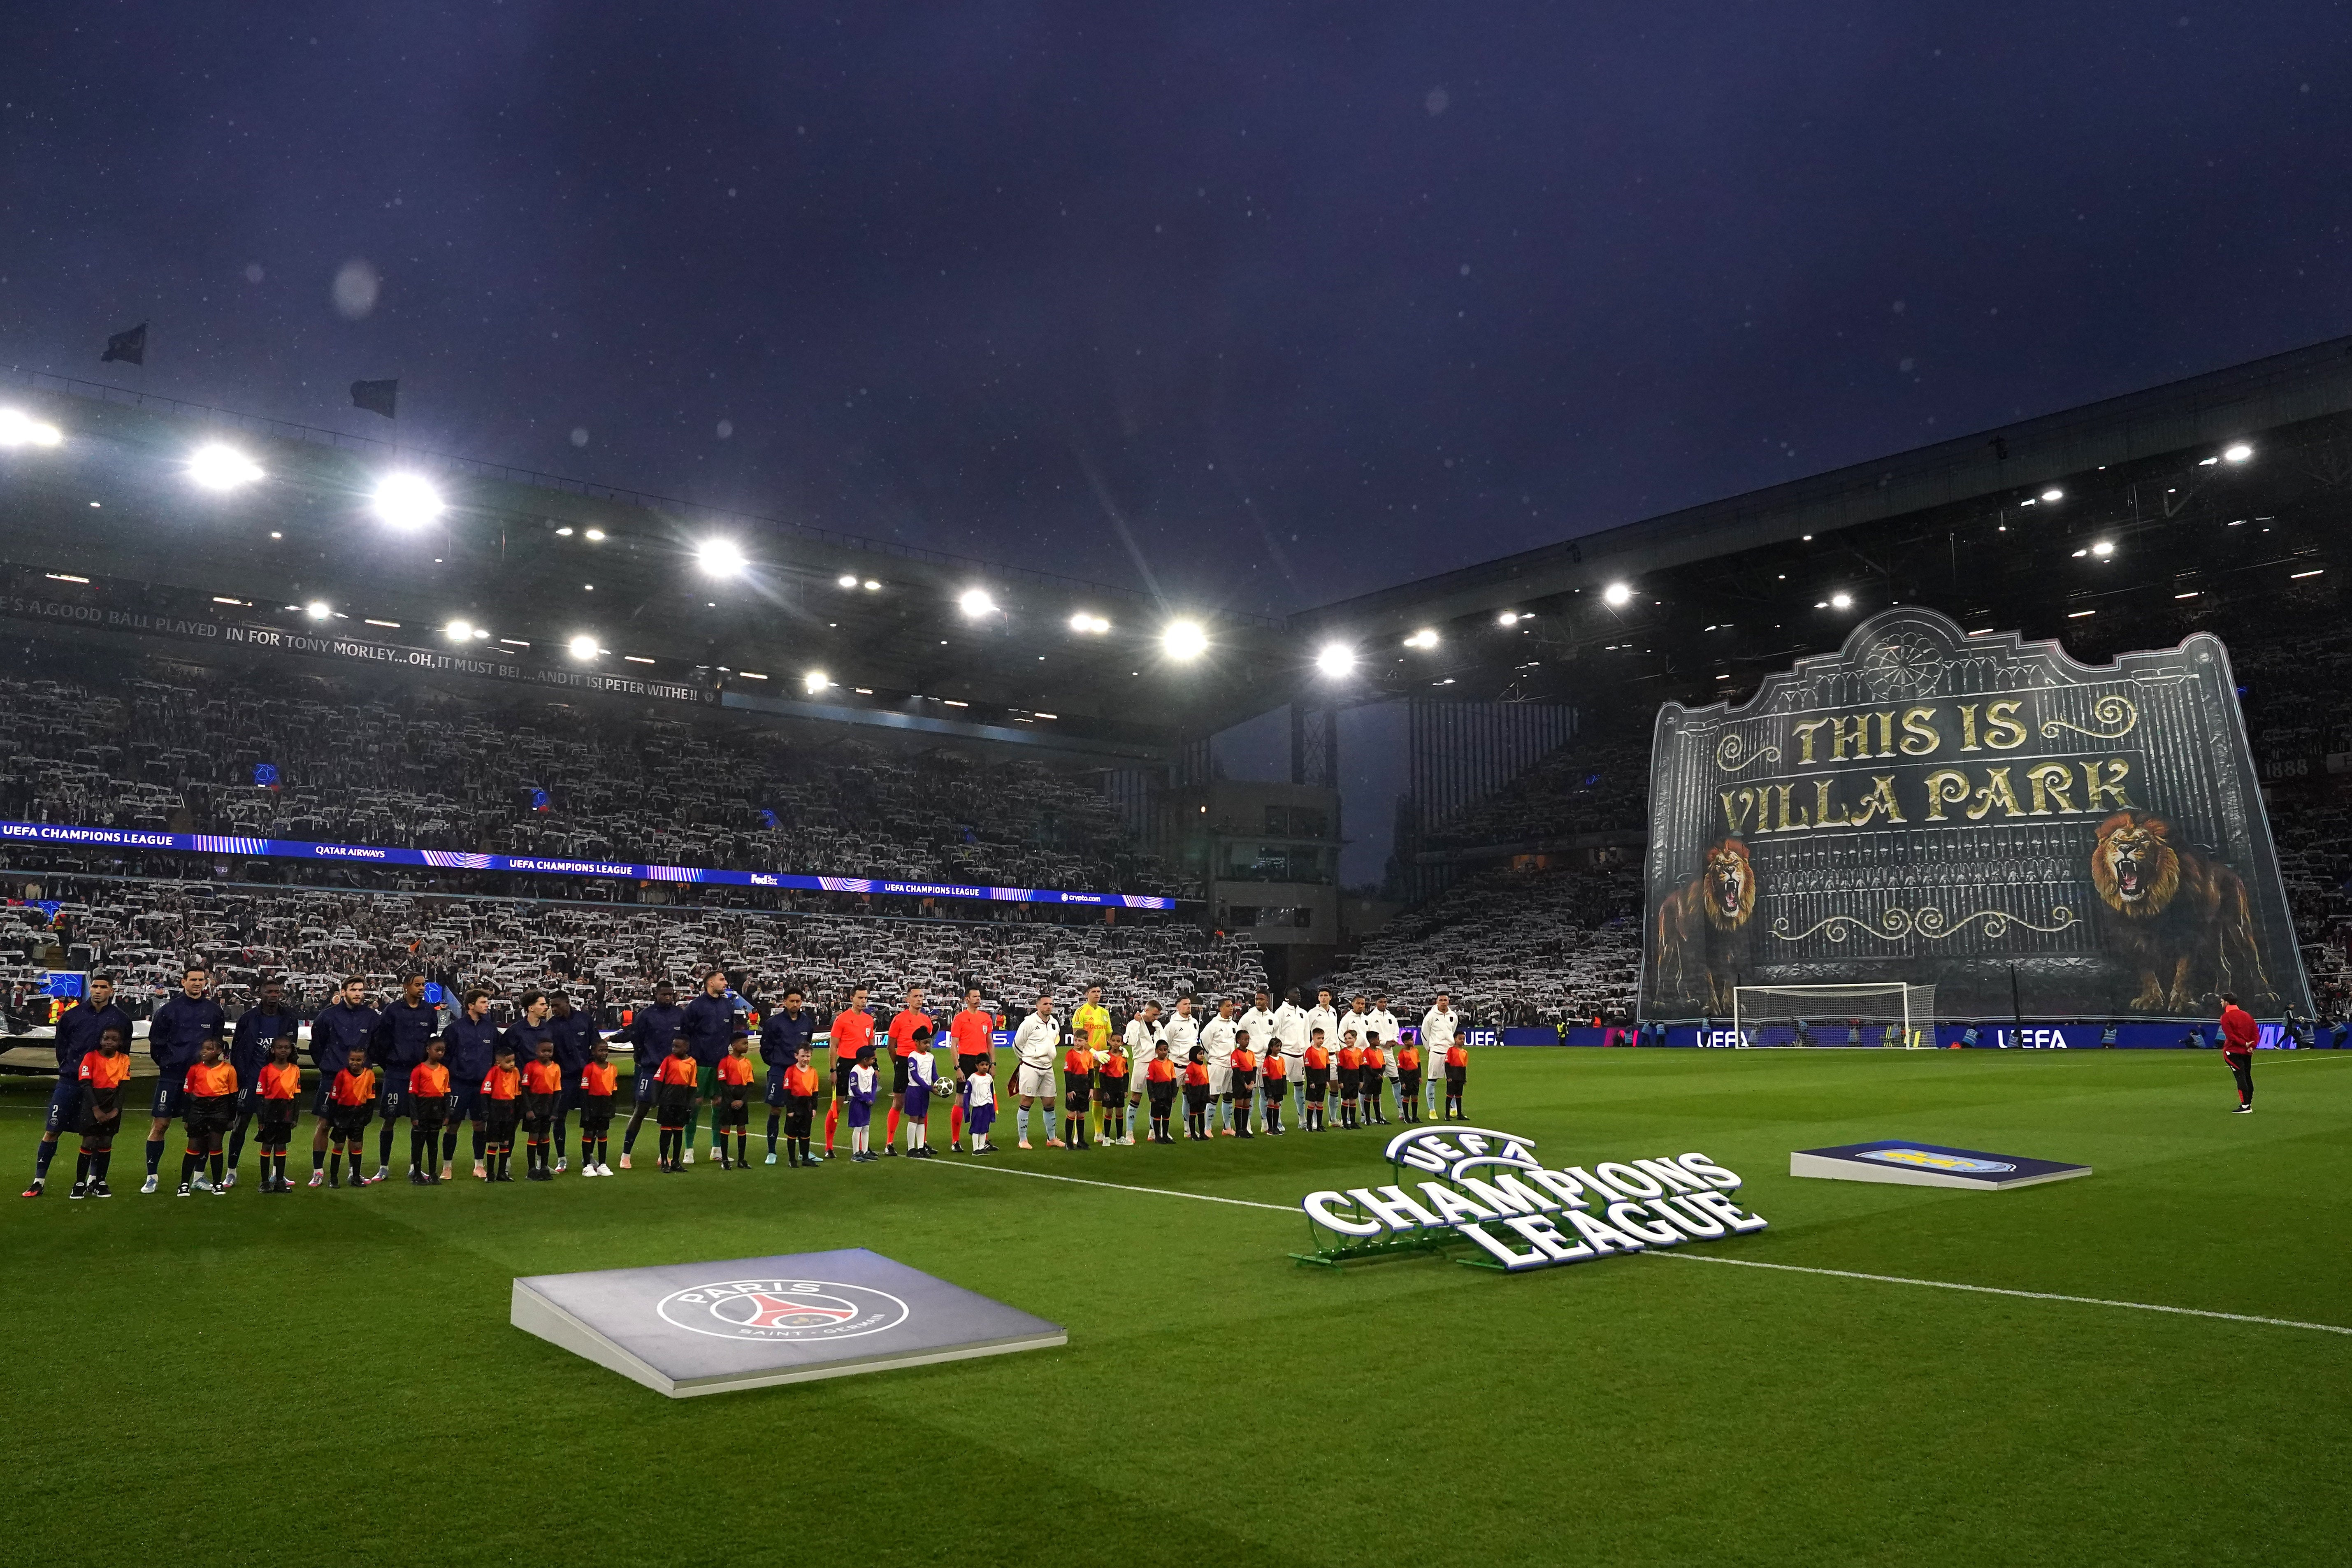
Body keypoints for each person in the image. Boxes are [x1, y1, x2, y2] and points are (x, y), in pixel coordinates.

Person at [26, 973, 130, 1199]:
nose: (98, 990)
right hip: (71, 1083)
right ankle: (38, 1181)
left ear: (112, 990)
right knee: (52, 1130)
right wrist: (70, 1067)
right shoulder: (72, 1016)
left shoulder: (121, 1019)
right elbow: (61, 1046)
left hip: (102, 1088)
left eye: (104, 987)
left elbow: (123, 1053)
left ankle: (94, 1181)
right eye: (95, 986)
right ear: (90, 989)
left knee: (99, 1136)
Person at [143, 963, 227, 1195]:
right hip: (172, 1078)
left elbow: (216, 1045)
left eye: (201, 980)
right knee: (161, 1124)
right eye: (193, 980)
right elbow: (156, 1046)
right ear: (183, 982)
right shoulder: (169, 1010)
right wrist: (172, 1064)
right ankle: (152, 1176)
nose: (198, 984)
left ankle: (199, 1177)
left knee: (200, 1128)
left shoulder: (214, 1011)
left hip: (202, 1080)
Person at [224, 976, 299, 1185]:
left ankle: (277, 1173)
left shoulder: (289, 1018)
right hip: (250, 1081)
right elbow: (238, 1050)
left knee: (277, 1129)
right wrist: (242, 1076)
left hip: (278, 1084)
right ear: (261, 994)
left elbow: (291, 1050)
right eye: (269, 992)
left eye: (277, 992)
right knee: (241, 1126)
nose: (273, 995)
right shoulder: (248, 1018)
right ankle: (231, 1171)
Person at [366, 972, 438, 1184]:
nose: (422, 988)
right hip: (396, 1073)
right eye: (418, 985)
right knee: (389, 1119)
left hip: (421, 1074)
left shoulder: (429, 1012)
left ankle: (415, 1168)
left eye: (424, 985)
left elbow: (431, 1040)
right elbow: (380, 1041)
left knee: (419, 1121)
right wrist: (389, 1063)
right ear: (407, 987)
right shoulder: (393, 1011)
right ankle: (383, 1167)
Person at [309, 975, 381, 1187]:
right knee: (324, 1124)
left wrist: (368, 1066)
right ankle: (318, 1171)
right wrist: (325, 1065)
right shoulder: (327, 1016)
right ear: (343, 992)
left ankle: (353, 1172)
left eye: (361, 990)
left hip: (360, 1080)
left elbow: (377, 1045)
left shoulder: (371, 1017)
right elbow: (317, 1045)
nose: (358, 994)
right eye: (353, 990)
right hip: (332, 1077)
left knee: (357, 1126)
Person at [618, 979, 687, 1168]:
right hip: (651, 1070)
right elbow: (637, 1041)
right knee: (641, 1110)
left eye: (670, 994)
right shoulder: (645, 1016)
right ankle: (626, 1154)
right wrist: (643, 1059)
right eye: (664, 994)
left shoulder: (679, 1015)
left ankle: (664, 1156)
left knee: (672, 1113)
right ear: (656, 994)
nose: (668, 997)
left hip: (673, 1072)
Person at [685, 970, 745, 1164]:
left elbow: (729, 1033)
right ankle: (689, 1149)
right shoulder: (695, 1007)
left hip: (721, 1063)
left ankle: (717, 1148)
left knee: (719, 1104)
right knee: (695, 1104)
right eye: (722, 979)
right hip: (700, 1063)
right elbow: (686, 1034)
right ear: (710, 983)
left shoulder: (728, 1006)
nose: (725, 982)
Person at [443, 987, 503, 1181]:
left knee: (480, 1125)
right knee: (452, 1125)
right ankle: (447, 1167)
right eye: (483, 1003)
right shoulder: (454, 1029)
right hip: (459, 1084)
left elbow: (496, 1056)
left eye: (487, 1003)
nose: (487, 1006)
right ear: (471, 1006)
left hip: (482, 1086)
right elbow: (446, 1058)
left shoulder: (491, 1029)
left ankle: (479, 1165)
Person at [68, 1023, 132, 1199]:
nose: (109, 1042)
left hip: (111, 1105)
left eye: (114, 1039)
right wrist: (95, 1109)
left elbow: (123, 1087)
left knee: (105, 1142)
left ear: (120, 1043)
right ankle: (80, 1183)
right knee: (89, 1142)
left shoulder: (124, 1060)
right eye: (106, 1039)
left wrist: (116, 1110)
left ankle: (100, 1182)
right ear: (100, 1040)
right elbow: (86, 1085)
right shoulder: (91, 1057)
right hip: (93, 1104)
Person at [760, 987, 816, 1164]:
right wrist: (777, 1062)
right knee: (776, 1109)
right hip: (780, 1070)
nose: (795, 1004)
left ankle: (803, 1152)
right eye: (791, 1001)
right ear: (785, 1002)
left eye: (798, 1001)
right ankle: (772, 1151)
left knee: (802, 1111)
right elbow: (765, 1047)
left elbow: (807, 1046)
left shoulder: (807, 1023)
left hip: (801, 1072)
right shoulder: (774, 1023)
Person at [547, 990, 599, 1173]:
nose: (553, 1009)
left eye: (556, 1005)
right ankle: (562, 1159)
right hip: (564, 1079)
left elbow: (596, 1045)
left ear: (567, 1002)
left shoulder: (584, 1020)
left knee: (590, 1118)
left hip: (585, 1078)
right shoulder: (551, 1026)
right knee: (559, 1118)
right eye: (551, 1006)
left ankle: (589, 1156)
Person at [179, 1038, 237, 1198]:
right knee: (194, 1145)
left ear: (219, 1052)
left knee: (216, 1145)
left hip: (220, 1108)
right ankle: (184, 1184)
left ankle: (217, 1183)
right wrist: (187, 1119)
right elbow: (187, 1095)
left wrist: (231, 1119)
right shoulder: (194, 1070)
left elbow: (233, 1097)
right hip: (199, 1108)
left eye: (209, 1049)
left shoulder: (229, 1070)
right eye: (203, 1049)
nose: (203, 1052)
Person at [824, 985, 876, 1159]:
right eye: (860, 998)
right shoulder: (842, 1019)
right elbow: (833, 1046)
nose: (863, 1001)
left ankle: (863, 1149)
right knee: (837, 1106)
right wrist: (833, 1070)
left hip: (864, 1065)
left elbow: (870, 1046)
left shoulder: (869, 1020)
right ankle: (829, 1146)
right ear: (852, 998)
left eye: (866, 998)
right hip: (846, 1065)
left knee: (864, 1104)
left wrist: (875, 1067)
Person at [881, 983, 933, 1159]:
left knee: (923, 1104)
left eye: (921, 996)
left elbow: (927, 1043)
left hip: (922, 1063)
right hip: (904, 1061)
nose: (919, 999)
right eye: (916, 996)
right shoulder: (900, 1019)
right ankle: (890, 1143)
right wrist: (898, 1064)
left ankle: (922, 1143)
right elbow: (891, 1046)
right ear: (907, 999)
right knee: (898, 1102)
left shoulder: (927, 1020)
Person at [251, 1036, 303, 1194]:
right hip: (269, 1110)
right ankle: (265, 1182)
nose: (283, 1050)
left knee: (281, 1145)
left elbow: (297, 1095)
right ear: (273, 1050)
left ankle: (280, 1181)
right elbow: (260, 1096)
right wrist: (261, 1119)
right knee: (267, 1145)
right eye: (280, 1047)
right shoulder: (266, 1070)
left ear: (291, 1050)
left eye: (287, 1048)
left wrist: (295, 1117)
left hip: (286, 1111)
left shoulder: (295, 1070)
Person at [946, 987, 995, 1152]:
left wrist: (992, 1064)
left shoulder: (986, 1018)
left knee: (986, 1100)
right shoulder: (960, 1019)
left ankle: (984, 1139)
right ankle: (955, 1141)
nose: (978, 999)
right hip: (966, 1060)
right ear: (967, 999)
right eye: (974, 996)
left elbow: (990, 1042)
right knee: (961, 1100)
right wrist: (957, 1067)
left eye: (979, 996)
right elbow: (954, 1045)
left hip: (983, 1060)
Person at [1011, 992, 1062, 1150]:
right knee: (1027, 1100)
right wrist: (1026, 1060)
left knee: (1050, 1102)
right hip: (1031, 1066)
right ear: (1037, 1006)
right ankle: (1023, 1140)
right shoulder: (1029, 1023)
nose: (1049, 1007)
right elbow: (1017, 1044)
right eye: (1045, 1004)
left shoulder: (1054, 1023)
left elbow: (1053, 1041)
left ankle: (1052, 1138)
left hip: (1048, 1067)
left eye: (1051, 1004)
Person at [325, 1045, 379, 1189]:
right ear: (348, 1059)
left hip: (359, 1113)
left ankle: (356, 1177)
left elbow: (371, 1096)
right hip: (342, 1114)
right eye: (352, 1060)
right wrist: (333, 1117)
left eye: (359, 1060)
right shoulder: (342, 1075)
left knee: (356, 1145)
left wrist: (367, 1115)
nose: (355, 1063)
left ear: (364, 1060)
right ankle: (334, 1178)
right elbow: (334, 1097)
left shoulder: (369, 1075)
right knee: (339, 1145)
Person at [1071, 984, 1112, 1143]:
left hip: (1102, 1060)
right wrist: (1093, 1051)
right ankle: (1076, 1134)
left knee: (1099, 1095)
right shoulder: (1081, 1012)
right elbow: (1078, 1037)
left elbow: (1109, 1035)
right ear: (1087, 994)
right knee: (1081, 1095)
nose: (1097, 994)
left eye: (1099, 992)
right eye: (1094, 992)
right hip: (1086, 1059)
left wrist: (1118, 1048)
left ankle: (1098, 1132)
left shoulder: (1104, 1012)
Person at [521, 1036, 566, 1181]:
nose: (547, 1054)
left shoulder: (556, 1068)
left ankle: (544, 1167)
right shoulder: (530, 1067)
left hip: (548, 1105)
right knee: (534, 1135)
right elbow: (525, 1090)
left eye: (550, 1051)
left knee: (545, 1136)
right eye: (544, 1051)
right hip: (534, 1104)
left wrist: (555, 1111)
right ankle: (532, 1169)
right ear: (537, 1051)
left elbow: (558, 1091)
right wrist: (528, 1109)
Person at [408, 1038, 452, 1185]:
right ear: (428, 1050)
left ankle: (433, 1174)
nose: (440, 1053)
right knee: (419, 1144)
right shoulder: (419, 1070)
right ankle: (417, 1174)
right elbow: (413, 1095)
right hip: (422, 1109)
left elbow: (446, 1094)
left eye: (443, 1051)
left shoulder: (445, 1071)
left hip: (437, 1110)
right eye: (437, 1050)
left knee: (433, 1144)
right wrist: (414, 1116)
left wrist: (446, 1115)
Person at [1120, 1000, 1163, 1147]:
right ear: (1147, 1010)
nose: (1156, 1018)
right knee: (1136, 1096)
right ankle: (1129, 1132)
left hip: (1156, 1063)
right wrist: (1137, 1024)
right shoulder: (1134, 1024)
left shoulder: (1158, 1025)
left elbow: (1163, 1042)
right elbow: (1131, 1042)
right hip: (1141, 1063)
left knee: (1156, 1098)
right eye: (1154, 1014)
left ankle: (1153, 1131)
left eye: (1158, 1015)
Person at [653, 1035, 699, 1172]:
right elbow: (658, 1080)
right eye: (673, 1046)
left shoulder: (692, 1063)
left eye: (678, 1047)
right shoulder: (668, 1061)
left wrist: (690, 1105)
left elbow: (693, 1085)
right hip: (668, 1100)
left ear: (687, 1048)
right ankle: (664, 1163)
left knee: (679, 1133)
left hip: (682, 1101)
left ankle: (676, 1162)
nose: (674, 1049)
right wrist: (656, 1100)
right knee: (666, 1132)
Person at [481, 1042, 524, 1182]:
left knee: (506, 1141)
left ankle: (502, 1173)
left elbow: (518, 1092)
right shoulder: (494, 1072)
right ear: (498, 1063)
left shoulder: (516, 1072)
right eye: (508, 1062)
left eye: (513, 1061)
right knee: (494, 1142)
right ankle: (490, 1174)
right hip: (496, 1108)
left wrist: (518, 1111)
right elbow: (485, 1092)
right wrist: (486, 1111)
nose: (512, 1064)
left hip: (509, 1109)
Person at [714, 1030, 757, 1169]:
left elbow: (750, 1084)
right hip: (729, 1100)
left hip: (741, 1098)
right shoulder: (725, 1062)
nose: (747, 1046)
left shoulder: (748, 1063)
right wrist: (732, 1100)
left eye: (747, 1043)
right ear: (734, 1045)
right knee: (726, 1127)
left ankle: (741, 1160)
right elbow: (722, 1083)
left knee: (742, 1127)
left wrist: (742, 1101)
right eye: (744, 1043)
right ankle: (725, 1160)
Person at [576, 1040, 618, 1176]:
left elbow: (614, 1089)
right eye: (601, 1050)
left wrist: (613, 1107)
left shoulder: (613, 1068)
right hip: (592, 1103)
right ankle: (588, 1165)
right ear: (594, 1052)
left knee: (603, 1133)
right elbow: (584, 1091)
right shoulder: (589, 1068)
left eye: (606, 1050)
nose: (604, 1053)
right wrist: (585, 1110)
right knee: (589, 1133)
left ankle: (602, 1164)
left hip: (605, 1103)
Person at [779, 1045, 821, 1167]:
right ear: (796, 1056)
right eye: (803, 1056)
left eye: (808, 1056)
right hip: (795, 1104)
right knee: (792, 1133)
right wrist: (790, 1109)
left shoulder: (813, 1071)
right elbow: (787, 1091)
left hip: (807, 1105)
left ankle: (806, 1158)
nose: (805, 1059)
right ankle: (792, 1160)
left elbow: (815, 1091)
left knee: (806, 1132)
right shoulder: (791, 1071)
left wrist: (814, 1108)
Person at [1202, 998, 1239, 1136]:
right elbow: (1205, 1043)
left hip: (1230, 1066)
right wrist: (1211, 1059)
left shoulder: (1234, 1025)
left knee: (1229, 1095)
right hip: (1217, 1065)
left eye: (1232, 1006)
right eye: (1228, 1006)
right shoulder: (1213, 1025)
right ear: (1221, 1008)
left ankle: (1227, 1128)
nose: (1231, 1009)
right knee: (1213, 1096)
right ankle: (1207, 1128)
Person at [901, 1026, 938, 1158]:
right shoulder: (913, 1056)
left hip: (925, 1092)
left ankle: (921, 1147)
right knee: (914, 1119)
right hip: (914, 1091)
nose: (928, 1045)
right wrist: (929, 1088)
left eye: (929, 1042)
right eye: (925, 1043)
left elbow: (934, 1075)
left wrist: (940, 1084)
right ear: (917, 1042)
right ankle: (911, 1148)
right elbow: (915, 1076)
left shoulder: (931, 1057)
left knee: (922, 1119)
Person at [1419, 992, 1457, 1119]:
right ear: (1437, 1001)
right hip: (1436, 1051)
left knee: (1452, 1081)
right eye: (1441, 1000)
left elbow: (1453, 1030)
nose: (1443, 1003)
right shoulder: (1431, 1016)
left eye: (1445, 1000)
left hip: (1450, 1052)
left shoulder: (1453, 1016)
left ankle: (1454, 1108)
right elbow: (1424, 1033)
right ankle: (1432, 1110)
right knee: (1432, 1080)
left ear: (1449, 1001)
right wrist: (1429, 1048)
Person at [2220, 992, 2259, 1113]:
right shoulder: (2247, 1015)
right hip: (2246, 1052)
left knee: (2241, 1078)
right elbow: (2255, 1033)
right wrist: (2252, 1046)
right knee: (2247, 1077)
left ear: (2226, 1002)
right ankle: (2248, 1103)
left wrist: (2244, 1044)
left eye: (2222, 1001)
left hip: (2233, 1051)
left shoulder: (2226, 1017)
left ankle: (2245, 1106)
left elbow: (2231, 1036)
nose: (2221, 1004)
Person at [1060, 1029, 1095, 1151]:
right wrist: (1070, 1090)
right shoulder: (1070, 1054)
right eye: (1076, 1040)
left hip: (1085, 1086)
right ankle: (1069, 1142)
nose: (1077, 1043)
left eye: (1080, 1041)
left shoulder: (1088, 1055)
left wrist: (1092, 1088)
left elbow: (1091, 1072)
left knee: (1081, 1114)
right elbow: (1068, 1073)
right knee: (1072, 1113)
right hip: (1074, 1086)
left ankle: (1081, 1140)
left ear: (1086, 1042)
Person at [846, 1044, 881, 1162]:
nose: (874, 1061)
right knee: (858, 1128)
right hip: (858, 1101)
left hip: (868, 1099)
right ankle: (856, 1153)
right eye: (872, 1059)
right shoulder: (856, 1071)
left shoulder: (871, 1070)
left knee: (866, 1127)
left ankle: (865, 1151)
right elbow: (855, 1088)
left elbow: (874, 1084)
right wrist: (866, 1099)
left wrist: (872, 1097)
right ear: (865, 1060)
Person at [1097, 1033, 1130, 1145]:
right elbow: (1102, 1076)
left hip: (1120, 1085)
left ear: (1122, 1043)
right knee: (1109, 1111)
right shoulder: (1106, 1057)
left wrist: (1125, 1089)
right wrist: (1104, 1091)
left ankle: (1120, 1137)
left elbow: (1126, 1075)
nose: (1116, 1043)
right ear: (1110, 1042)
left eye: (1118, 1041)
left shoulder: (1123, 1057)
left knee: (1120, 1110)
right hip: (1109, 1085)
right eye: (1114, 1041)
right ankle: (1106, 1137)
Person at [1143, 1040, 1177, 1143]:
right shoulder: (1153, 1064)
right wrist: (1151, 1095)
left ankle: (1166, 1135)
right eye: (1161, 1050)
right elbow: (1149, 1081)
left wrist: (1174, 1094)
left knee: (1167, 1115)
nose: (1164, 1052)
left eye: (1166, 1050)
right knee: (1157, 1115)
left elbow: (1174, 1079)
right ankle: (1158, 1136)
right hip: (1158, 1092)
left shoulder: (1170, 1063)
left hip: (1167, 1093)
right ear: (1157, 1051)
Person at [963, 1057, 998, 1154]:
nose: (985, 1067)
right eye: (982, 1065)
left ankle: (982, 1147)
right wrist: (966, 1111)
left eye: (987, 1065)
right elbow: (967, 1095)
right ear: (977, 1066)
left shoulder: (989, 1078)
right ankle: (976, 1149)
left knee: (985, 1128)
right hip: (978, 1108)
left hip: (987, 1106)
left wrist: (993, 1107)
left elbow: (991, 1092)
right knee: (976, 1128)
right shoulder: (972, 1078)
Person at [1230, 1030, 1257, 1139]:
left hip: (1249, 1080)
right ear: (1238, 1040)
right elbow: (1236, 1071)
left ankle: (1245, 1129)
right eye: (1244, 1039)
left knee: (1247, 1105)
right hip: (1239, 1081)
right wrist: (1245, 1084)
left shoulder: (1251, 1054)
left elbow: (1254, 1069)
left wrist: (1252, 1082)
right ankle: (1239, 1129)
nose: (1247, 1042)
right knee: (1239, 1104)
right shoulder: (1235, 1054)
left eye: (1248, 1039)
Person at [1335, 1028, 1365, 1130]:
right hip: (1346, 1077)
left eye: (1350, 1038)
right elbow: (1340, 1068)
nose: (1348, 1041)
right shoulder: (1343, 1052)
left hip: (1355, 1077)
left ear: (1355, 1039)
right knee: (1346, 1100)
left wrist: (1361, 1080)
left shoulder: (1359, 1052)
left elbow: (1361, 1067)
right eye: (1346, 1039)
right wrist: (1341, 1081)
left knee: (1353, 1100)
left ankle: (1353, 1122)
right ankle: (1345, 1122)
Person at [1303, 1028, 1331, 1131]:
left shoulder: (1325, 1051)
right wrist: (1311, 1082)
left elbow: (1328, 1066)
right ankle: (1309, 1125)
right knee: (1312, 1103)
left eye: (1323, 1038)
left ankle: (1319, 1125)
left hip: (1322, 1080)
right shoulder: (1309, 1051)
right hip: (1314, 1081)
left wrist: (1327, 1080)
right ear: (1313, 1038)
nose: (1321, 1040)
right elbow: (1308, 1068)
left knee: (1320, 1103)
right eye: (1319, 1038)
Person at [1182, 1046, 1212, 1141]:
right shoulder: (1191, 1067)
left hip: (1203, 1092)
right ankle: (1193, 1134)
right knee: (1193, 1114)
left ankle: (1202, 1134)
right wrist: (1190, 1096)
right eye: (1200, 1054)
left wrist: (1208, 1093)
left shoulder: (1203, 1066)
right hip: (1195, 1093)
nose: (1202, 1056)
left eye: (1203, 1054)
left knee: (1201, 1114)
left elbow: (1207, 1080)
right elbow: (1188, 1083)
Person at [1259, 1039, 1288, 1135]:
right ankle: (1270, 1128)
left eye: (1280, 1046)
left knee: (1277, 1106)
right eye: (1277, 1046)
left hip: (1279, 1084)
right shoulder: (1268, 1060)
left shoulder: (1281, 1060)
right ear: (1271, 1048)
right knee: (1271, 1105)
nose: (1279, 1048)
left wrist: (1284, 1088)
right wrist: (1268, 1089)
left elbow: (1284, 1074)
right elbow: (1265, 1075)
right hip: (1271, 1085)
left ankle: (1276, 1127)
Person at [1395, 1034, 1423, 1125]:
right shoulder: (1402, 1054)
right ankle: (1406, 1117)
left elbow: (1419, 1064)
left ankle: (1415, 1117)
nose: (1413, 1041)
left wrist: (1420, 1076)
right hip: (1407, 1077)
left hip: (1415, 1076)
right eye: (1411, 1040)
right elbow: (1400, 1069)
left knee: (1415, 1096)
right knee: (1407, 1097)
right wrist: (1402, 1082)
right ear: (1406, 1042)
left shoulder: (1416, 1051)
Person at [1361, 1036, 1390, 1126]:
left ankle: (1378, 1118)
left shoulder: (1380, 1051)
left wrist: (1381, 1074)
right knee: (1368, 1096)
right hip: (1370, 1076)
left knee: (1377, 1096)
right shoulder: (1366, 1052)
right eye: (1377, 1039)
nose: (1379, 1041)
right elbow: (1367, 1066)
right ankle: (1367, 1118)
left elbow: (1384, 1064)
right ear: (1372, 1040)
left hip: (1379, 1075)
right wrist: (1376, 1075)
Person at [1444, 1031, 1470, 1121]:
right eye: (1460, 1039)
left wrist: (1464, 1078)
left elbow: (1464, 1066)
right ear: (1455, 1039)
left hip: (1460, 1076)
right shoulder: (1451, 1050)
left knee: (1459, 1096)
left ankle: (1460, 1114)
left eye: (1463, 1039)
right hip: (1453, 1076)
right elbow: (1447, 1064)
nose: (1462, 1041)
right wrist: (1449, 1076)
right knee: (1450, 1096)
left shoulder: (1465, 1052)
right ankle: (1447, 1115)